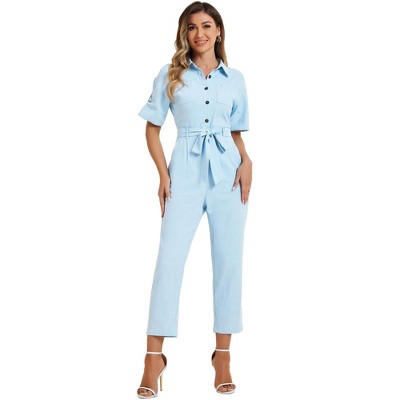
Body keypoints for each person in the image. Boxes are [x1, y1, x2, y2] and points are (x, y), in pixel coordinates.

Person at [136, 1, 252, 397]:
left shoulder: (235, 79)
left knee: (228, 262)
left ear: (218, 31)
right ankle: (153, 358)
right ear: (184, 34)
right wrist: (163, 175)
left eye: (206, 25)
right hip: (183, 174)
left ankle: (223, 356)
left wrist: (247, 161)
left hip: (229, 175)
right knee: (168, 262)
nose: (198, 33)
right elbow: (152, 129)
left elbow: (236, 132)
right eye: (191, 27)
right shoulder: (170, 74)